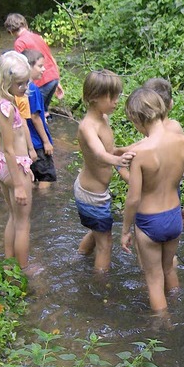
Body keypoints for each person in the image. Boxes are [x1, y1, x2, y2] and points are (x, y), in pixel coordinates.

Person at [121, 87, 184, 313]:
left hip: (149, 222)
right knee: (168, 270)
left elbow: (133, 198)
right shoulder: (182, 141)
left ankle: (163, 327)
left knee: (154, 279)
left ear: (137, 118)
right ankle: (177, 307)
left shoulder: (140, 153)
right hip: (174, 217)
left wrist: (125, 230)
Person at [75, 70, 135, 273]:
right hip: (92, 195)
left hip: (98, 192)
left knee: (98, 231)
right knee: (106, 243)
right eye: (112, 97)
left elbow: (109, 150)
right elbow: (100, 154)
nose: (116, 101)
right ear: (93, 97)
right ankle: (100, 288)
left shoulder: (104, 118)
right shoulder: (87, 126)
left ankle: (79, 258)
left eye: (117, 95)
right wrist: (118, 160)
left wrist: (132, 151)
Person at [0, 51, 35, 271]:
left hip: (0, 165)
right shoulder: (7, 108)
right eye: (20, 84)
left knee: (12, 217)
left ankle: (9, 263)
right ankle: (24, 269)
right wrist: (19, 184)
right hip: (13, 166)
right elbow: (9, 148)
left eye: (26, 82)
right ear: (6, 82)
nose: (25, 87)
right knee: (23, 224)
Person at [4, 13, 63, 112]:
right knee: (43, 109)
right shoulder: (37, 37)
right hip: (53, 77)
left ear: (10, 31)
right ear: (25, 25)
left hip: (41, 81)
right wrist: (58, 81)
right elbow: (51, 57)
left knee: (34, 112)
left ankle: (41, 126)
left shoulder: (19, 42)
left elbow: (22, 67)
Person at [21, 49, 56, 189]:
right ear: (28, 67)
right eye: (40, 66)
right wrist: (46, 142)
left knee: (30, 176)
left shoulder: (18, 88)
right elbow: (35, 117)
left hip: (24, 143)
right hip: (37, 143)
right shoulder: (32, 89)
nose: (44, 69)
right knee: (46, 178)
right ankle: (42, 205)